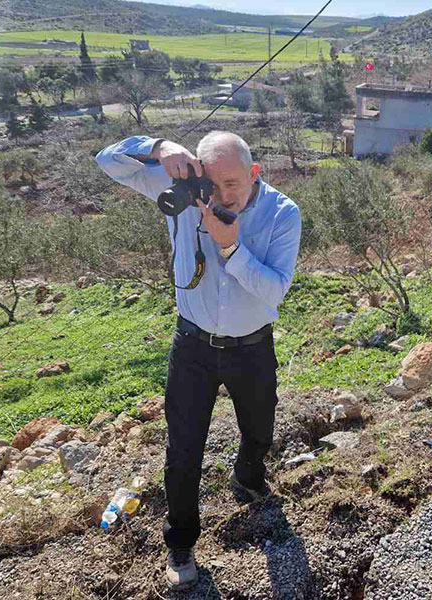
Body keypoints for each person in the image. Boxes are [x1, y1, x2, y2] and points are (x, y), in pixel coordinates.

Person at [96, 131, 302, 591]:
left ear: (254, 173)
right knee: (183, 450)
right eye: (212, 184)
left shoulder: (282, 212)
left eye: (232, 184)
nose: (221, 197)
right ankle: (181, 543)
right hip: (193, 346)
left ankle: (247, 477)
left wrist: (231, 248)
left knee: (260, 430)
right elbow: (107, 160)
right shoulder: (188, 192)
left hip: (253, 346)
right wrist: (158, 148)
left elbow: (275, 291)